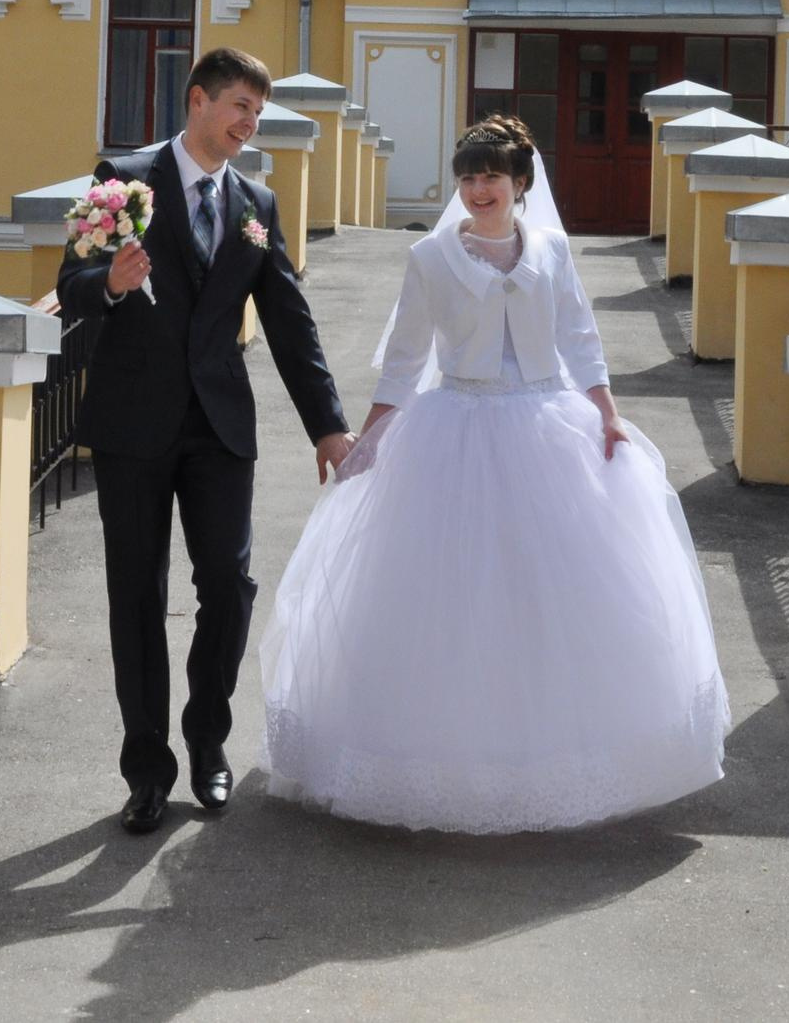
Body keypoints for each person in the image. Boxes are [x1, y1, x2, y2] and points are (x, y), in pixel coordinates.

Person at [260, 116, 729, 834]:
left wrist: (605, 412)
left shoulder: (550, 249)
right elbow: (406, 358)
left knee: (553, 597)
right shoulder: (428, 258)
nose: (479, 189)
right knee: (456, 601)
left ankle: (554, 753)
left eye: (493, 177)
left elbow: (580, 335)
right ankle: (451, 761)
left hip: (551, 425)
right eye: (469, 177)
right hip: (457, 430)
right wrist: (373, 437)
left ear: (520, 183)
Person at [57, 48, 352, 835]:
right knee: (138, 598)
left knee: (228, 583)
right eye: (239, 108)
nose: (249, 124)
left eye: (257, 114)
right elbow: (70, 286)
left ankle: (207, 739)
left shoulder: (255, 201)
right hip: (131, 426)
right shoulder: (122, 181)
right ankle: (147, 771)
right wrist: (111, 283)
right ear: (197, 100)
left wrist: (327, 425)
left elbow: (289, 319)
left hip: (219, 427)